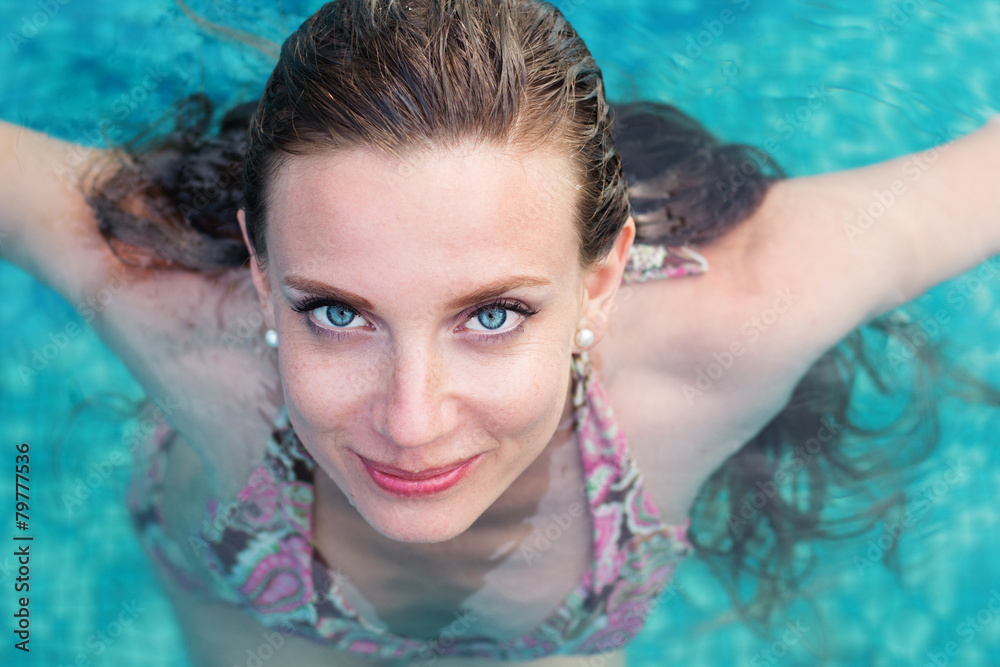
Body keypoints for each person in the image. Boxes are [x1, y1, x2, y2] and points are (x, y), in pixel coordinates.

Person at [1, 0, 999, 665]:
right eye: (336, 312)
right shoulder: (170, 304)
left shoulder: (730, 318)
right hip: (248, 620)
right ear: (262, 277)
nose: (411, 420)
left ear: (600, 280)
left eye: (492, 314)